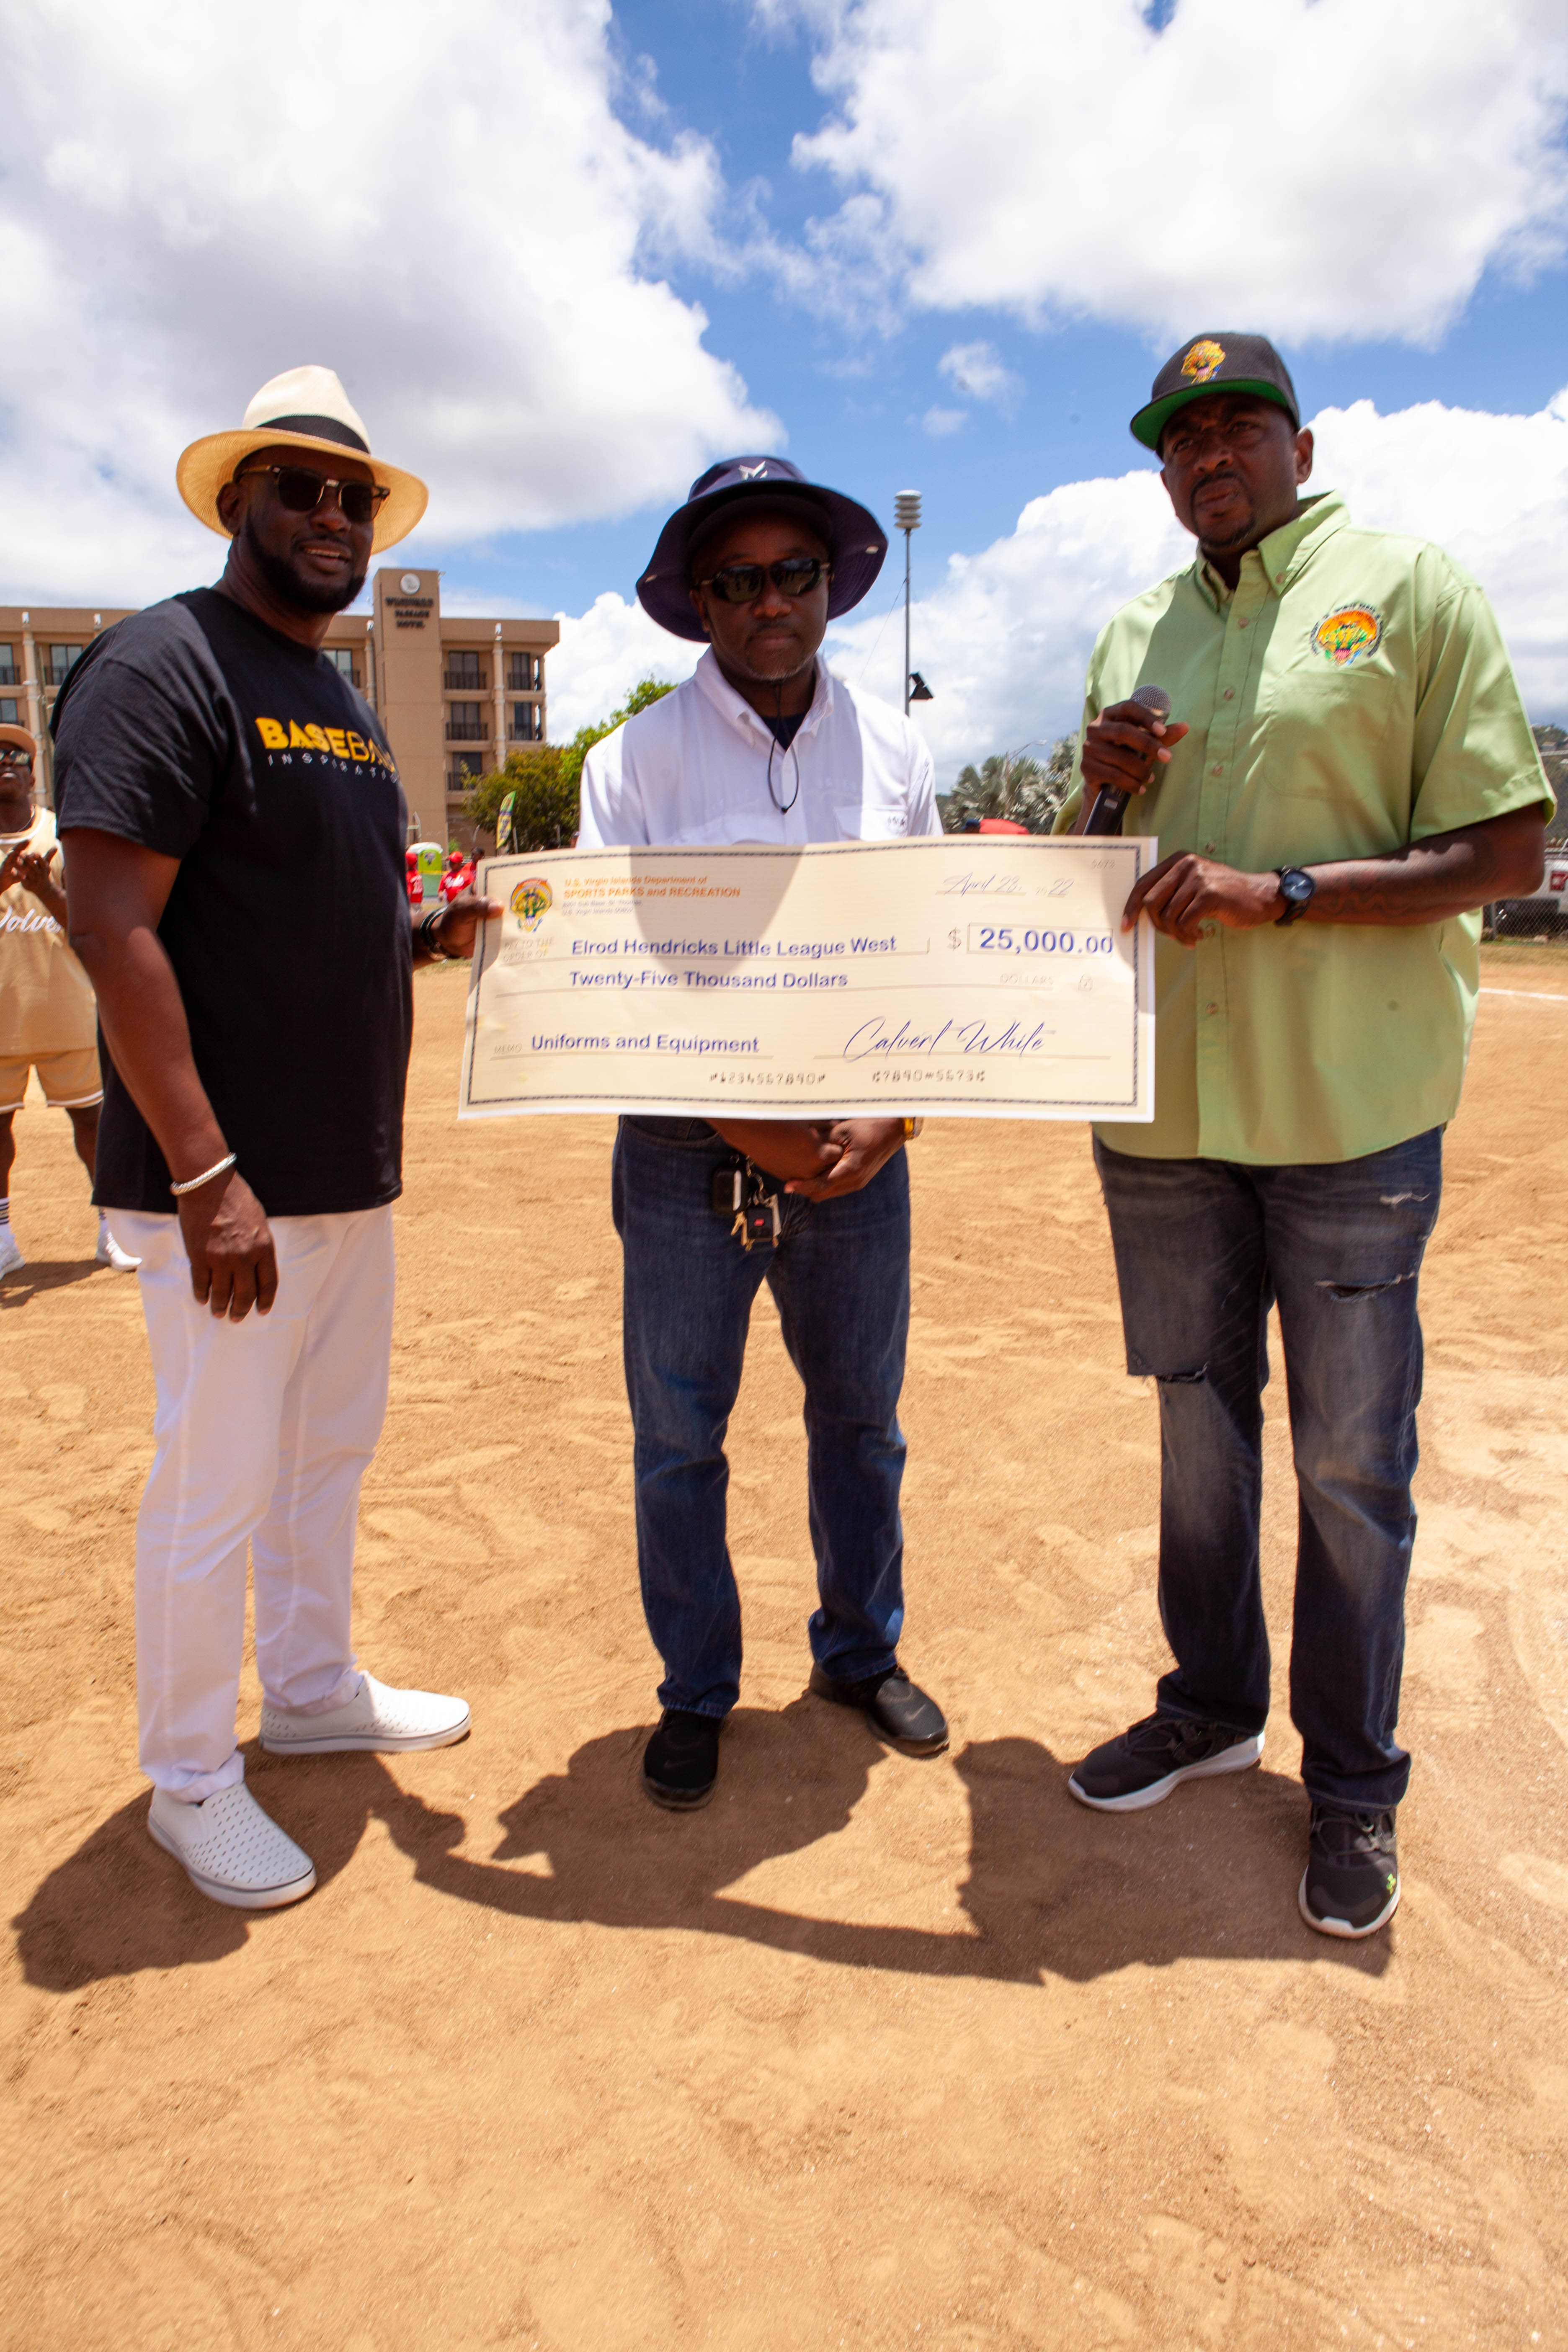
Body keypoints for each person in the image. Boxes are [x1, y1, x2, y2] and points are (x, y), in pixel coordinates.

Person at [1057, 334, 1550, 1937]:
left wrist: (1278, 894)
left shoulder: (1407, 591)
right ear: (1161, 470)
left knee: (1348, 1460)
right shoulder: (1134, 630)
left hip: (1348, 1109)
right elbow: (1083, 880)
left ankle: (1350, 1786)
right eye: (1180, 434)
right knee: (1197, 1430)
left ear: (1298, 441)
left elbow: (1505, 846)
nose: (1209, 451)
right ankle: (1210, 1702)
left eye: (1237, 425)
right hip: (1166, 1115)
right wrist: (1096, 793)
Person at [52, 366, 496, 1911]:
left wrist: (446, 930)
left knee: (326, 1454)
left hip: (341, 1174)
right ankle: (188, 1774)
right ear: (234, 499)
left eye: (350, 494)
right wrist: (201, 1169)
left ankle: (308, 1685)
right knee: (214, 1479)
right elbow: (112, 923)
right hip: (222, 1188)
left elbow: (332, 913)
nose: (327, 514)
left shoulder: (339, 693)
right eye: (296, 487)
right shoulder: (160, 663)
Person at [578, 455, 950, 1810]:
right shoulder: (633, 763)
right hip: (685, 1155)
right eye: (736, 579)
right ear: (698, 600)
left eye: (794, 571)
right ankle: (695, 1689)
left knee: (861, 1421)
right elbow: (618, 985)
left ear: (833, 585)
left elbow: (926, 954)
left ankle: (859, 1653)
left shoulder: (897, 751)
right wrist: (768, 1135)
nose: (769, 600)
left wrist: (891, 1112)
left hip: (864, 1143)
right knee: (678, 1433)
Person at [0, 722, 138, 1277]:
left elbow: (90, 921)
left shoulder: (61, 835)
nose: (6, 762)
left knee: (94, 1122)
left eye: (17, 755)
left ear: (33, 773)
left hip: (68, 1010)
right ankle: (2, 1237)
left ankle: (114, 1227)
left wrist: (43, 890)